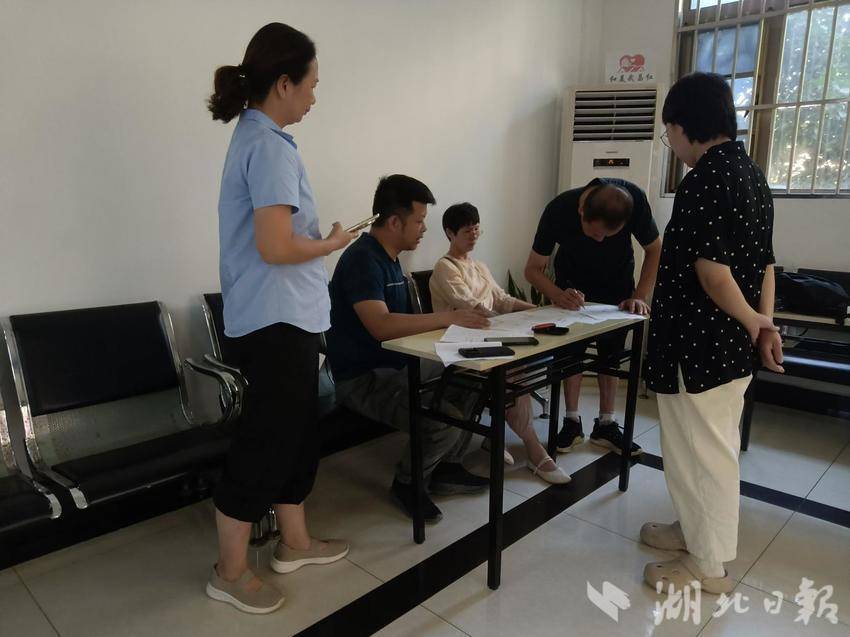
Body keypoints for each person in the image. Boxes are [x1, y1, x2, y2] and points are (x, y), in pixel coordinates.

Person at [205, 23, 355, 614]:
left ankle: (294, 543)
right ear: (285, 84)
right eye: (312, 84)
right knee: (266, 441)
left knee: (296, 433)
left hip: (284, 316)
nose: (315, 97)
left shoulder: (261, 138)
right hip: (274, 321)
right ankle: (229, 571)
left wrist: (319, 244)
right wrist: (332, 243)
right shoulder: (267, 146)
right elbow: (276, 246)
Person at [640, 72, 783, 594]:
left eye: (668, 134)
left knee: (702, 455)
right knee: (703, 449)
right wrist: (761, 322)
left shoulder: (704, 179)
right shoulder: (752, 174)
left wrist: (753, 321)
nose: (672, 145)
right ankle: (694, 532)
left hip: (699, 345)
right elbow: (766, 265)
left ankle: (707, 565)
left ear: (683, 126)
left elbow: (711, 272)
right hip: (728, 346)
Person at [327, 175, 493, 524]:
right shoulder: (362, 260)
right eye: (419, 221)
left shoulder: (391, 259)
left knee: (473, 378)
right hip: (362, 377)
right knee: (442, 419)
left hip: (399, 365)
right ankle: (408, 483)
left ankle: (446, 468)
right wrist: (449, 317)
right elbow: (381, 325)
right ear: (393, 222)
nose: (424, 229)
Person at [430, 203, 571, 484]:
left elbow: (502, 299)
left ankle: (498, 437)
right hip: (461, 348)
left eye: (476, 229)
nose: (474, 235)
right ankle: (534, 449)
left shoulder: (478, 266)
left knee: (522, 364)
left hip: (487, 339)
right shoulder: (445, 268)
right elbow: (472, 306)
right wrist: (510, 322)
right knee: (514, 372)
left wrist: (539, 311)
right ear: (450, 233)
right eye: (467, 230)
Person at [525, 177, 661, 456]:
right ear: (581, 212)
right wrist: (557, 294)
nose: (601, 240)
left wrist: (639, 295)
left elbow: (655, 249)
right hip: (571, 291)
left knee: (611, 356)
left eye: (610, 235)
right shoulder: (559, 209)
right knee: (571, 356)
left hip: (617, 290)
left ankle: (606, 425)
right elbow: (533, 269)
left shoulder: (633, 200)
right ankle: (571, 422)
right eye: (596, 233)